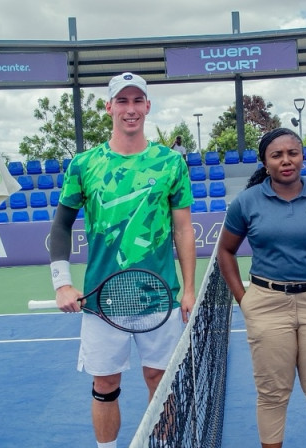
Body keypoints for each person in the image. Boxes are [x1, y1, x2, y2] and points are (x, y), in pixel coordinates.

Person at [48, 72, 196, 448]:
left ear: (147, 106)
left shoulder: (171, 163)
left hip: (158, 296)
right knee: (105, 384)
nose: (130, 109)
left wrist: (189, 289)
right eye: (122, 101)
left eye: (137, 101)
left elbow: (183, 230)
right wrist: (61, 282)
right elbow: (61, 226)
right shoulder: (84, 164)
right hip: (102, 299)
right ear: (109, 107)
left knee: (160, 383)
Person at [217, 128, 306, 448]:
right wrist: (245, 300)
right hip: (265, 304)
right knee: (271, 395)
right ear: (265, 163)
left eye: (292, 153)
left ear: (302, 157)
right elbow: (225, 251)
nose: (286, 161)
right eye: (276, 155)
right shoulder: (245, 202)